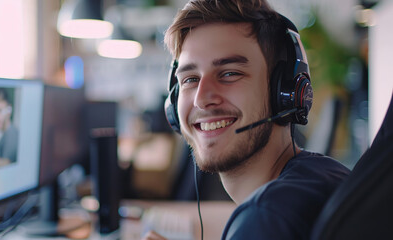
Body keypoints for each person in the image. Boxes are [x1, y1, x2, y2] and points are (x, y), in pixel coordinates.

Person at [144, 0, 351, 239]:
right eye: (190, 79)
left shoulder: (266, 216)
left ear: (283, 93)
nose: (202, 99)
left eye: (230, 73)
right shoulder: (316, 178)